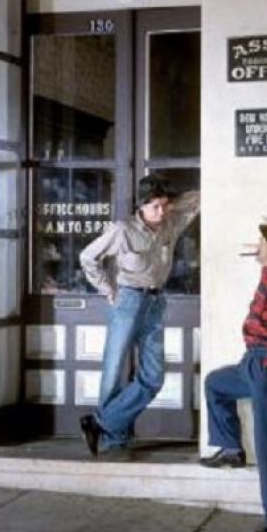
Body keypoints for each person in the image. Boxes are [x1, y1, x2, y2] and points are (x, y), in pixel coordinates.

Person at [77, 174, 200, 458]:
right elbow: (87, 257)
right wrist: (108, 289)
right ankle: (113, 438)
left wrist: (170, 195)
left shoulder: (171, 221)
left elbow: (197, 198)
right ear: (141, 206)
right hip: (128, 300)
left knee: (154, 376)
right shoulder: (122, 230)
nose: (161, 211)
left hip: (155, 303)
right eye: (154, 206)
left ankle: (99, 423)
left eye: (164, 205)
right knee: (114, 370)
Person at [201, 217, 267, 532]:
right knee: (216, 384)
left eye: (263, 240)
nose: (257, 244)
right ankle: (231, 448)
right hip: (256, 363)